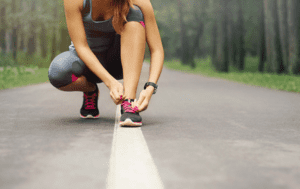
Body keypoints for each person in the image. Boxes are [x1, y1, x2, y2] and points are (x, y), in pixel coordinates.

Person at [48, 0, 164, 126]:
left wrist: (150, 88)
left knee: (135, 13)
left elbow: (157, 49)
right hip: (87, 64)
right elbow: (81, 47)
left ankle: (129, 102)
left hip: (118, 64)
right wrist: (110, 83)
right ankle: (90, 89)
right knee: (57, 72)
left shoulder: (139, 2)